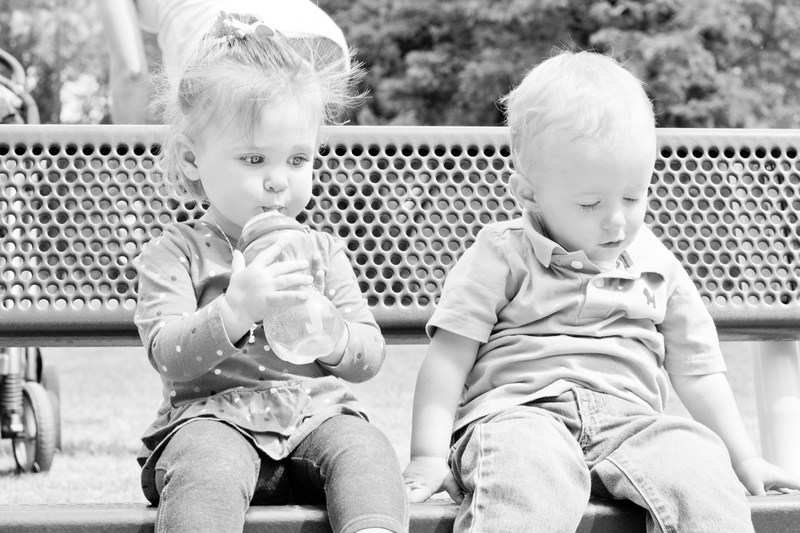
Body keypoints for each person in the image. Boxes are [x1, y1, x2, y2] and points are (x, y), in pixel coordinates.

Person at [402, 50, 800, 533]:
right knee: (525, 476)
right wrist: (427, 456)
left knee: (696, 463)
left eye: (633, 196)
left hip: (634, 423)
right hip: (520, 415)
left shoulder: (655, 261)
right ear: (528, 193)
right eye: (590, 203)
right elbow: (449, 358)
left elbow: (698, 370)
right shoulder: (502, 253)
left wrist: (743, 459)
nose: (617, 221)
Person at [133, 12, 407, 533]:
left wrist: (333, 336)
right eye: (254, 159)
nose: (279, 181)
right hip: (211, 420)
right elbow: (167, 354)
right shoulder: (177, 252)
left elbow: (369, 356)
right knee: (205, 467)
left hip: (313, 415)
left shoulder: (322, 251)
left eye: (298, 159)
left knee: (366, 448)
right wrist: (235, 309)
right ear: (191, 159)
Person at [97, 0, 349, 124]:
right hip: (320, 39)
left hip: (223, 44)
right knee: (306, 177)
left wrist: (128, 172)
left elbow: (130, 73)